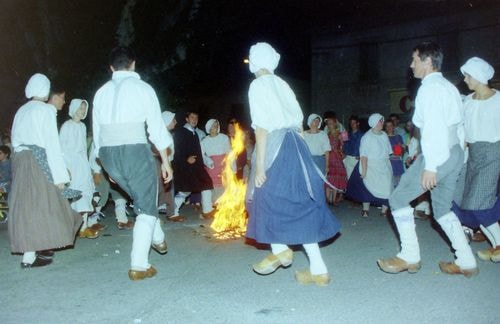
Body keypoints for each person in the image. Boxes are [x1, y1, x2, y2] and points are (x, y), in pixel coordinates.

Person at [378, 42, 478, 277]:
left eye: (414, 60)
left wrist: (431, 167)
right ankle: (466, 261)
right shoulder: (449, 87)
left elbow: (433, 130)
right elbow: (459, 125)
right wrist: (458, 157)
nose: (411, 65)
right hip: (453, 152)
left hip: (438, 154)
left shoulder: (429, 88)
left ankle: (409, 256)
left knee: (399, 198)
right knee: (442, 208)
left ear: (427, 61)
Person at [245, 42, 341, 286]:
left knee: (262, 197)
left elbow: (263, 127)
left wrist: (259, 167)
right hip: (297, 146)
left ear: (254, 62)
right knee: (301, 205)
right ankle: (319, 270)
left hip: (275, 147)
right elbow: (298, 124)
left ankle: (279, 250)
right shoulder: (283, 84)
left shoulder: (257, 85)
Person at [93, 47, 173, 281]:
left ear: (111, 67)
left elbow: (97, 133)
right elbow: (157, 129)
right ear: (133, 64)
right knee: (147, 208)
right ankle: (139, 264)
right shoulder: (143, 88)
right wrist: (166, 162)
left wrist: (105, 165)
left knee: (142, 201)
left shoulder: (100, 93)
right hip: (134, 150)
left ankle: (158, 239)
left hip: (108, 153)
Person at [9, 73, 81, 268]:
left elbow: (15, 141)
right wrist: (60, 176)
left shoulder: (21, 111)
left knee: (27, 207)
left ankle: (28, 256)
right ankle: (44, 247)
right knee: (48, 204)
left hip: (20, 160)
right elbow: (52, 145)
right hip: (38, 160)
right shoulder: (45, 111)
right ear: (46, 90)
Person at [452, 57, 500, 263]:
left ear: (479, 77)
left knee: (479, 202)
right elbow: (462, 133)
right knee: (463, 199)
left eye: (467, 75)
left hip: (493, 153)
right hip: (472, 154)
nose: (465, 79)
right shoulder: (467, 102)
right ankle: (497, 246)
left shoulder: (499, 100)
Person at [60, 99, 100, 238]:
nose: (82, 111)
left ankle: (84, 227)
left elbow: (83, 149)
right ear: (73, 108)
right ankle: (74, 227)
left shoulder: (82, 126)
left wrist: (88, 167)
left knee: (86, 193)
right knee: (75, 196)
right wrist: (66, 168)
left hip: (82, 164)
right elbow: (62, 149)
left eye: (84, 108)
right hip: (72, 165)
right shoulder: (67, 126)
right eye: (80, 108)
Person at [170, 111, 214, 222]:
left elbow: (199, 151)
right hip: (185, 167)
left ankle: (207, 211)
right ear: (187, 119)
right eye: (192, 117)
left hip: (197, 167)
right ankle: (172, 212)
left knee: (207, 184)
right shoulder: (181, 132)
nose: (194, 119)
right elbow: (176, 151)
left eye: (196, 117)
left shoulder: (195, 133)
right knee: (185, 190)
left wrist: (206, 162)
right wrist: (186, 159)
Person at [345, 113, 393, 217]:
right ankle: (365, 209)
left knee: (387, 188)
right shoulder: (367, 137)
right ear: (374, 122)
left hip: (384, 166)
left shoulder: (384, 135)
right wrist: (364, 171)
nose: (382, 123)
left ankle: (384, 210)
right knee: (367, 187)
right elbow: (364, 156)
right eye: (380, 121)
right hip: (371, 166)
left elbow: (388, 152)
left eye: (382, 121)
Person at [201, 119, 231, 204]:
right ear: (209, 128)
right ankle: (213, 204)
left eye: (217, 125)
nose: (216, 127)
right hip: (212, 166)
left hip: (223, 165)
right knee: (213, 184)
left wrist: (232, 166)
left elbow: (229, 152)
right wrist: (208, 161)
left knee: (224, 183)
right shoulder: (204, 141)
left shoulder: (224, 138)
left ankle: (223, 204)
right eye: (214, 126)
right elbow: (202, 155)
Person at [324, 117, 347, 205]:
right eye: (328, 124)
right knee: (329, 176)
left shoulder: (341, 134)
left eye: (331, 123)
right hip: (329, 157)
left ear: (335, 124)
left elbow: (344, 146)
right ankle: (328, 199)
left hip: (337, 157)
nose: (330, 125)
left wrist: (342, 153)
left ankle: (333, 199)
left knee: (336, 177)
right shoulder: (325, 134)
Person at [384, 119, 405, 187]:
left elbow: (401, 152)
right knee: (389, 186)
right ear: (385, 128)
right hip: (388, 164)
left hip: (398, 164)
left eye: (390, 125)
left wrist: (401, 148)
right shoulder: (383, 137)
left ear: (393, 127)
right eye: (387, 126)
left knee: (399, 186)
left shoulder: (398, 137)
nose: (389, 127)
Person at [342, 115, 364, 180]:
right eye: (351, 123)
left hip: (357, 159)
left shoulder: (362, 135)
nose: (352, 125)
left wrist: (360, 155)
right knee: (348, 178)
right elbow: (344, 145)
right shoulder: (345, 134)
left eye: (354, 123)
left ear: (358, 123)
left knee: (358, 178)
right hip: (348, 158)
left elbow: (365, 147)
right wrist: (343, 153)